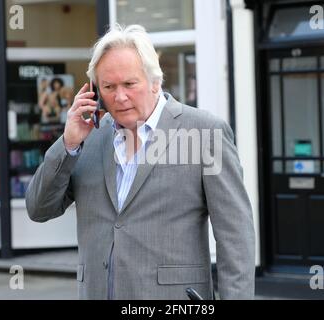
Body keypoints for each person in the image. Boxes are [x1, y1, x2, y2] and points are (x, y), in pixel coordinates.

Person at [25, 24, 255, 300]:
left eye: (129, 84)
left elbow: (236, 237)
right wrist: (68, 143)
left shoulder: (205, 133)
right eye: (109, 87)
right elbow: (38, 209)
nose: (119, 97)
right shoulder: (89, 137)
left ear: (155, 81)